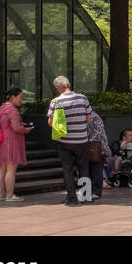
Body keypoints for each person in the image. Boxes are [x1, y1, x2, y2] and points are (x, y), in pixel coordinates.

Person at [47, 75, 94, 206]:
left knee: (67, 169)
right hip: (82, 140)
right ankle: (86, 196)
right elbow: (89, 117)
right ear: (68, 85)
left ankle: (71, 198)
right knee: (84, 168)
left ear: (58, 87)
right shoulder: (83, 98)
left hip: (65, 141)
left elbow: (50, 122)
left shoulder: (56, 102)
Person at [0, 87, 33, 202]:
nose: (21, 100)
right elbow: (16, 128)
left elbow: (9, 124)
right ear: (13, 97)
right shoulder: (12, 110)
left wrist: (21, 125)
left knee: (2, 168)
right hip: (11, 141)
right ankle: (10, 196)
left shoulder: (2, 108)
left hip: (1, 141)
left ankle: (1, 194)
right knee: (11, 168)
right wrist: (26, 129)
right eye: (20, 97)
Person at [86, 110, 109, 200]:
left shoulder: (93, 116)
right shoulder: (87, 116)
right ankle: (91, 191)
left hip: (97, 148)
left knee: (96, 170)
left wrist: (86, 140)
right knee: (91, 170)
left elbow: (98, 133)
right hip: (91, 147)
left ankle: (96, 192)